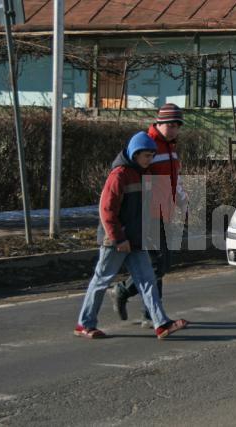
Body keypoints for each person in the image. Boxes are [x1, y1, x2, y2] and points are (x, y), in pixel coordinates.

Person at [74, 131, 188, 339]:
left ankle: (161, 324)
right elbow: (106, 210)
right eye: (147, 156)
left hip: (136, 240)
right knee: (101, 281)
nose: (150, 160)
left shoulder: (143, 173)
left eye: (152, 156)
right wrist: (119, 238)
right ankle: (84, 324)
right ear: (135, 154)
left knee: (148, 280)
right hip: (116, 241)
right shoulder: (118, 175)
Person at [109, 103, 187, 328]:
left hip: (164, 210)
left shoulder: (171, 147)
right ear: (159, 123)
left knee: (161, 264)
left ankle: (146, 311)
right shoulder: (147, 143)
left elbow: (174, 178)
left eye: (176, 125)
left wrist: (181, 199)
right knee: (155, 264)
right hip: (146, 212)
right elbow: (129, 173)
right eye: (169, 125)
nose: (173, 129)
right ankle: (134, 300)